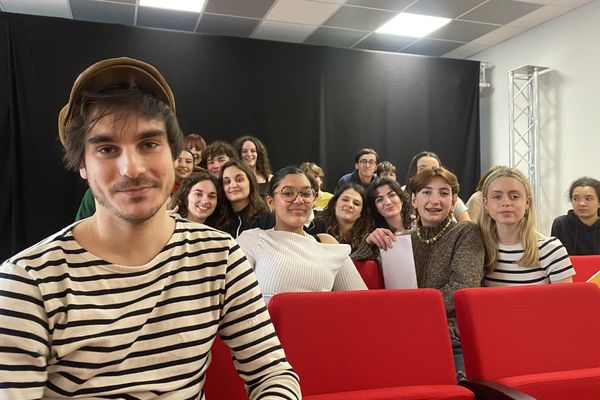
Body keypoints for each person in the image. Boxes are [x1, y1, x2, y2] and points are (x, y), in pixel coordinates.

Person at [0, 57, 300, 399]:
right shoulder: (27, 283)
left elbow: (273, 373)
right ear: (82, 164)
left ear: (174, 155)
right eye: (107, 148)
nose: (132, 168)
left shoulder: (221, 257)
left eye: (148, 144)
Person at [236, 167, 367, 304]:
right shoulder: (253, 240)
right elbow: (234, 302)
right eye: (288, 193)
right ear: (271, 202)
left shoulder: (326, 244)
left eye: (306, 193)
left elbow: (364, 305)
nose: (299, 200)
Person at [409, 167, 484, 380]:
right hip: (409, 334)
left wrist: (411, 311)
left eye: (443, 193)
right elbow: (355, 258)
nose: (435, 200)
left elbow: (462, 288)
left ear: (453, 201)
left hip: (451, 337)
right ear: (414, 200)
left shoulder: (466, 231)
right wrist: (372, 239)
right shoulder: (406, 239)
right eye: (426, 192)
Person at [481, 167, 574, 285]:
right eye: (497, 197)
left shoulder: (551, 249)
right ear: (486, 203)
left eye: (514, 196)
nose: (506, 203)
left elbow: (565, 301)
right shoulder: (478, 249)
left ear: (527, 202)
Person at [404, 151, 470, 222]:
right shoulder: (400, 195)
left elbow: (466, 224)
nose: (429, 173)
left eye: (434, 168)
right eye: (422, 169)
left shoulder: (450, 198)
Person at [220, 158, 274, 237]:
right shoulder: (218, 219)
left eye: (239, 179)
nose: (233, 185)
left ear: (250, 182)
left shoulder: (266, 218)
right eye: (227, 182)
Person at [551, 176, 600, 255]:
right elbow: (554, 258)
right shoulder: (561, 224)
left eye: (588, 199)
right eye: (576, 199)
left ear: (599, 202)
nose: (581, 204)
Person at [321, 183, 374, 253]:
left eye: (356, 203)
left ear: (361, 213)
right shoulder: (317, 226)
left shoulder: (367, 239)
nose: (350, 205)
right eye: (345, 200)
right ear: (335, 204)